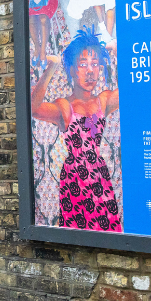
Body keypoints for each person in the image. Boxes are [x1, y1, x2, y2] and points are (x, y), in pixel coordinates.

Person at [30, 29, 122, 232]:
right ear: (71, 70)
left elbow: (133, 86)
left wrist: (117, 53)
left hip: (100, 176)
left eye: (95, 64)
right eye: (82, 64)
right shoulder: (65, 106)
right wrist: (51, 69)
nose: (90, 71)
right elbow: (33, 108)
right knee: (78, 237)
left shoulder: (103, 100)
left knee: (109, 233)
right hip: (75, 180)